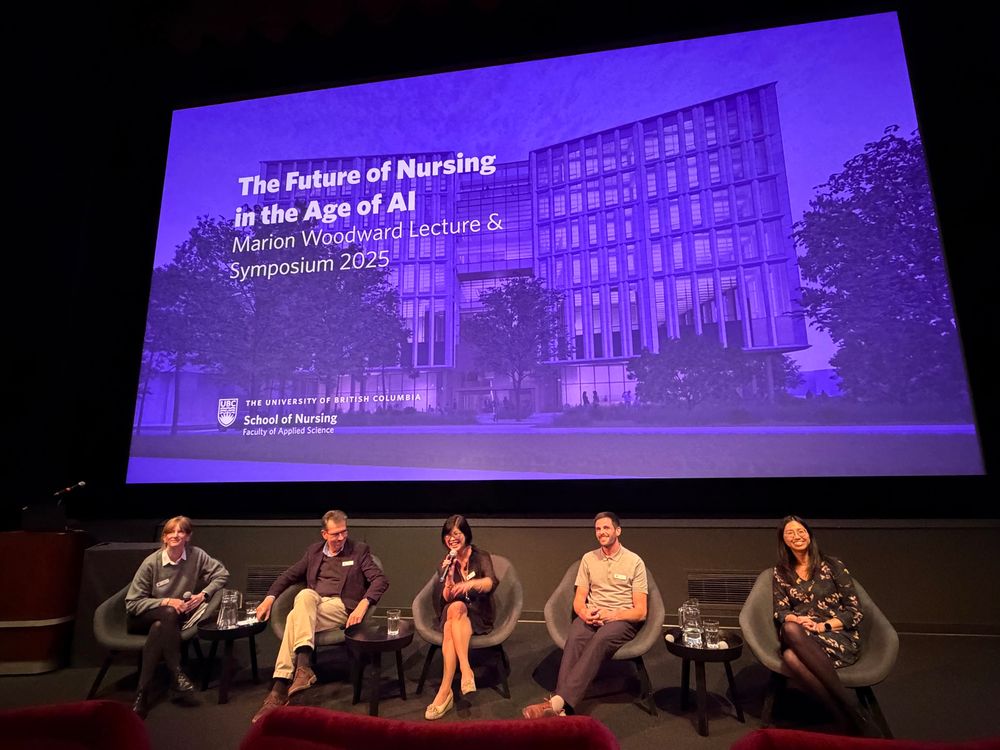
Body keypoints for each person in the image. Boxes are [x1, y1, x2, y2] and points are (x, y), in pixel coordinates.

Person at [251, 510, 389, 724]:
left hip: (341, 606)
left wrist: (363, 604)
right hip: (313, 605)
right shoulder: (314, 552)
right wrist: (269, 598)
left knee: (296, 613)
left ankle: (280, 687)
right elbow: (289, 575)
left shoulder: (359, 550)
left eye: (344, 532)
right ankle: (300, 671)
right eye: (336, 534)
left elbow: (380, 580)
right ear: (324, 534)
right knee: (304, 599)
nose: (341, 538)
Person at [522, 512, 647, 718]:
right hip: (593, 614)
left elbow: (641, 611)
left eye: (606, 528)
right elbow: (579, 599)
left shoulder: (634, 562)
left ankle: (557, 701)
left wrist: (612, 615)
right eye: (598, 529)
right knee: (575, 636)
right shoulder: (589, 559)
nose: (601, 533)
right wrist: (584, 613)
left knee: (601, 639)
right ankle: (563, 710)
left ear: (618, 530)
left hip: (621, 619)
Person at [125, 515, 229, 719]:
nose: (175, 535)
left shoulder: (196, 555)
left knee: (159, 627)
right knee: (168, 613)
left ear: (188, 536)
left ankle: (142, 694)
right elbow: (132, 603)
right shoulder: (151, 563)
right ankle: (176, 672)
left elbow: (222, 574)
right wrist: (165, 602)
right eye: (170, 532)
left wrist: (204, 594)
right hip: (141, 616)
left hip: (166, 623)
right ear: (164, 538)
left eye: (180, 531)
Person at [773, 515, 869, 734]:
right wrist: (797, 619)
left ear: (809, 534)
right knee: (789, 632)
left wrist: (822, 626)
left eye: (800, 531)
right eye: (790, 533)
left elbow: (855, 611)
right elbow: (781, 611)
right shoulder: (781, 572)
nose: (796, 537)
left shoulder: (833, 565)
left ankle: (847, 710)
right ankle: (848, 715)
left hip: (837, 636)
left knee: (790, 650)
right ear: (784, 541)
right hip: (802, 636)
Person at [424, 515, 499, 720]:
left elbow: (490, 583)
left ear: (466, 534)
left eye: (456, 533)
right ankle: (466, 670)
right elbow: (445, 597)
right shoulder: (446, 562)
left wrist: (470, 584)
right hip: (454, 610)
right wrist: (449, 575)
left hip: (478, 611)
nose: (452, 538)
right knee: (455, 607)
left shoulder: (480, 556)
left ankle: (445, 691)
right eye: (448, 535)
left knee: (450, 626)